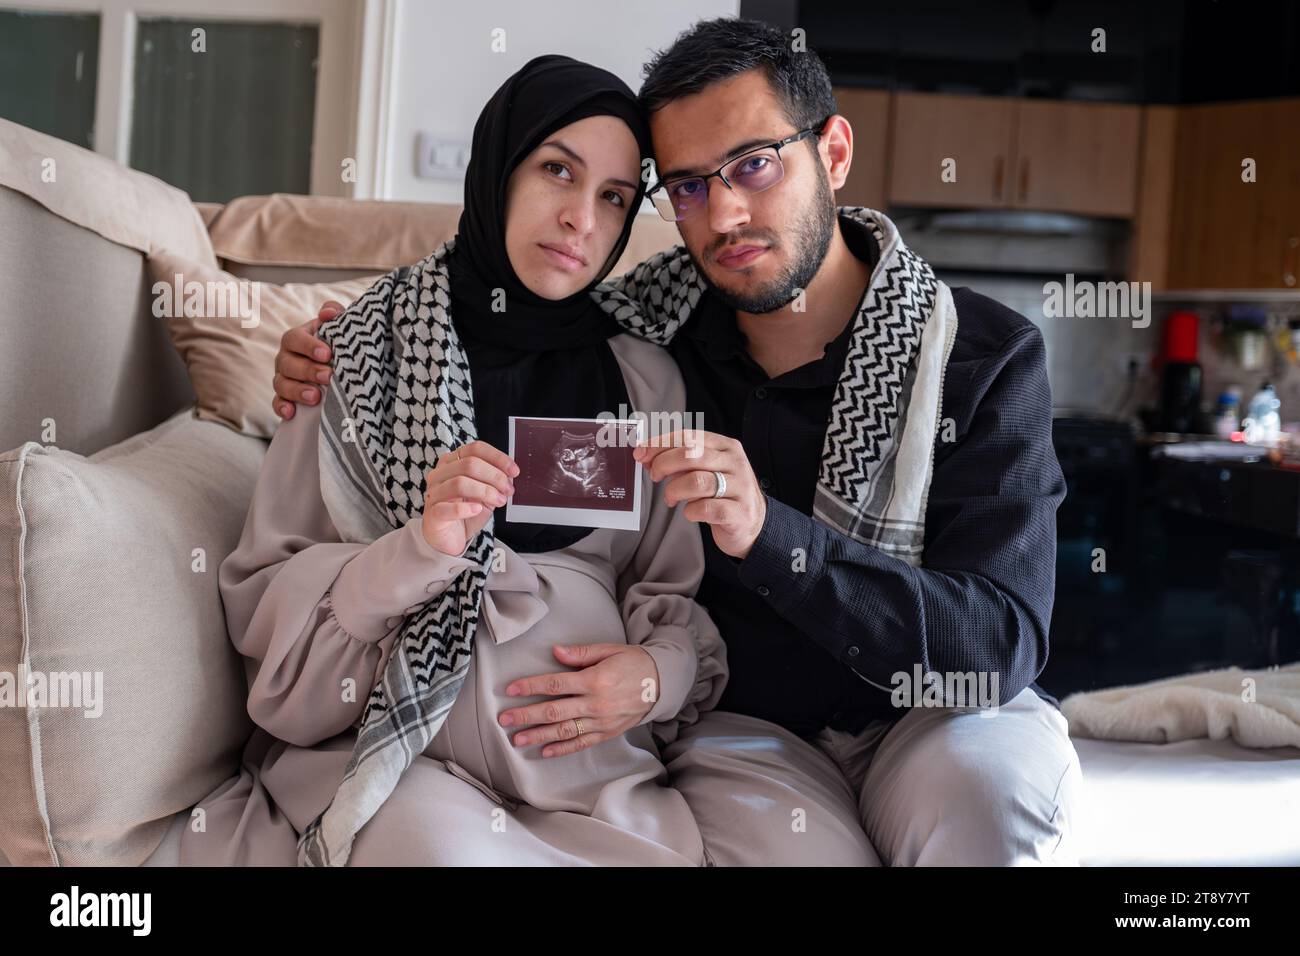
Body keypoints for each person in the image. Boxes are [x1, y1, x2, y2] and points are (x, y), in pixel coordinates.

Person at [271, 19, 1084, 866]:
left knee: (984, 801)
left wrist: (773, 537)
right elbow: (505, 329)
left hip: (933, 718)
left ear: (833, 153)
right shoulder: (643, 342)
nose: (724, 213)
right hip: (744, 730)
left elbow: (996, 645)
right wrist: (327, 354)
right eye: (687, 187)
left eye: (754, 164)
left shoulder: (978, 355)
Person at [180, 55, 726, 867]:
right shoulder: (356, 355)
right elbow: (268, 602)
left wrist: (653, 677)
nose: (581, 219)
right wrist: (420, 550)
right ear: (497, 170)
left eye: (613, 197)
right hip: (395, 759)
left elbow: (670, 595)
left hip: (590, 783)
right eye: (556, 171)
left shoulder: (645, 377)